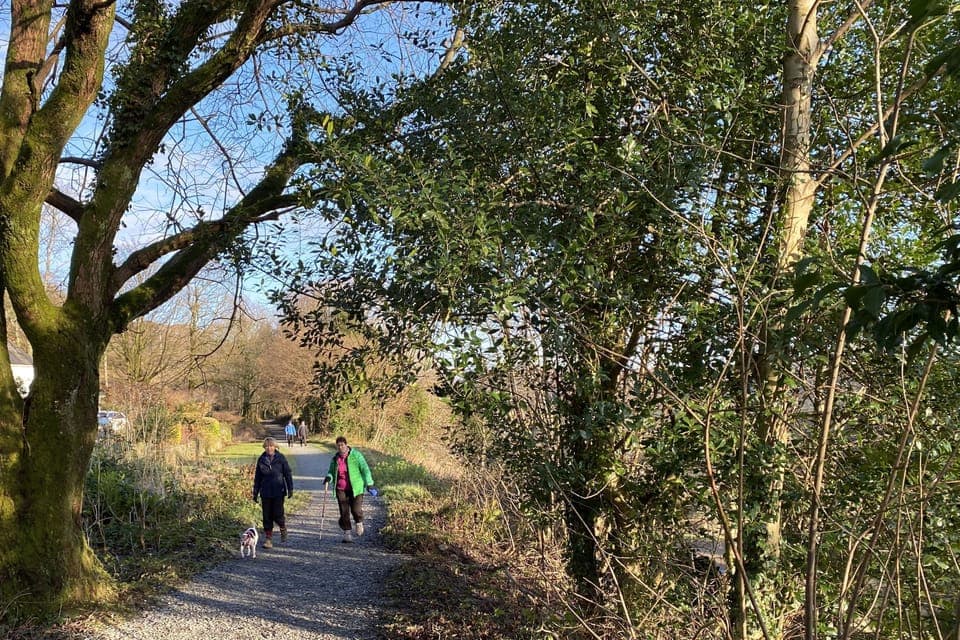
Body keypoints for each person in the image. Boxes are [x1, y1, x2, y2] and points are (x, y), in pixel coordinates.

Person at [323, 436, 374, 543]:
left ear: (346, 445)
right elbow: (331, 472)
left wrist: (369, 483)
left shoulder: (356, 455)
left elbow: (365, 469)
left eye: (342, 445)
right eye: (338, 446)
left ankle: (359, 522)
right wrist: (329, 477)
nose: (340, 447)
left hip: (356, 488)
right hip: (341, 488)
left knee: (356, 510)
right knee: (344, 512)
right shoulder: (335, 459)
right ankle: (347, 534)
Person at [252, 437, 293, 549]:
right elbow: (258, 478)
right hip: (265, 492)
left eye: (271, 446)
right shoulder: (261, 459)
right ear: (264, 447)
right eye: (267, 446)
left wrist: (290, 489)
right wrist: (255, 493)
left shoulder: (281, 458)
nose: (269, 448)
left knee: (278, 514)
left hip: (278, 491)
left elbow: (288, 474)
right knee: (267, 516)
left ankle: (282, 527)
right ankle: (268, 539)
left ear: (275, 447)